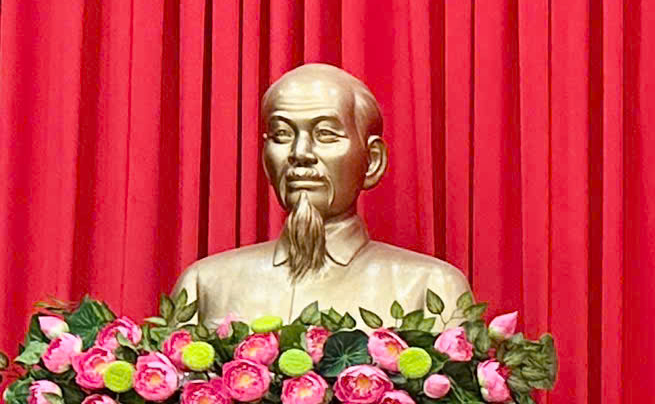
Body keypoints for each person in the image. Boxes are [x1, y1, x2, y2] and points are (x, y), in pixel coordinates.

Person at [175, 62, 472, 325]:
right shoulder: (204, 286)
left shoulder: (431, 289)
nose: (300, 153)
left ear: (372, 161)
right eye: (282, 135)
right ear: (266, 160)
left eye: (326, 134)